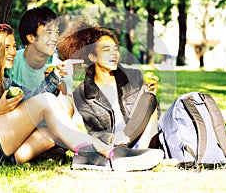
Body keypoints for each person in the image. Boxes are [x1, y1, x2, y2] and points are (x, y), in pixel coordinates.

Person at [0, 23, 163, 172]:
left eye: (14, 46)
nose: (13, 51)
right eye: (6, 47)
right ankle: (109, 152)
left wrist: (55, 76)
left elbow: (32, 99)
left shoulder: (6, 81)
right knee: (47, 103)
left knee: (52, 129)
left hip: (5, 153)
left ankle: (91, 159)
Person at [58, 19, 162, 153]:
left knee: (149, 98)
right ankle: (125, 150)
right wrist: (112, 139)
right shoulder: (83, 93)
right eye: (107, 49)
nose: (114, 54)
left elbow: (150, 118)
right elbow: (95, 133)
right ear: (93, 57)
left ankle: (132, 149)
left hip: (142, 140)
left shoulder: (133, 77)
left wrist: (151, 94)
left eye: (116, 49)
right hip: (111, 145)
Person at [5, 7, 73, 161]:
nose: (55, 38)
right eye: (48, 33)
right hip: (16, 129)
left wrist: (60, 87)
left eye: (56, 32)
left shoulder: (60, 67)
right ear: (30, 37)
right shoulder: (12, 63)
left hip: (46, 132)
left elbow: (68, 114)